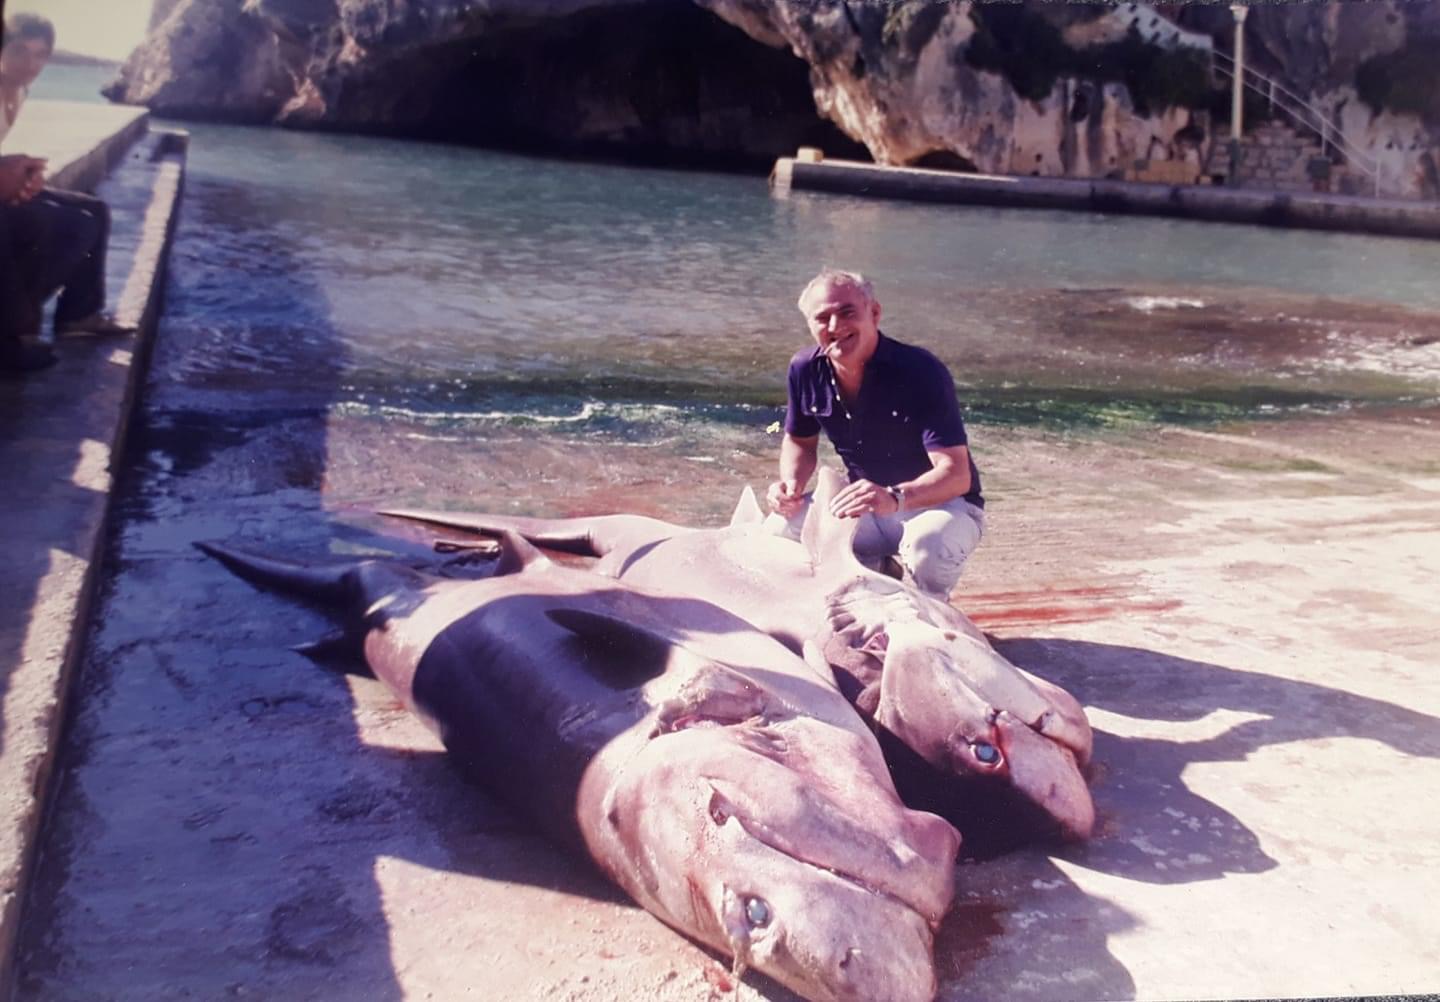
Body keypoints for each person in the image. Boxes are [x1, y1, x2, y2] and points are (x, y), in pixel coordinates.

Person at [764, 269, 986, 597]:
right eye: (822, 318)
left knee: (928, 547)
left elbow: (956, 476)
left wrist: (894, 498)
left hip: (942, 506)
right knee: (776, 535)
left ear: (875, 313)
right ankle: (877, 569)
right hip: (867, 506)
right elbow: (799, 440)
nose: (836, 327)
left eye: (847, 313)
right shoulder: (804, 369)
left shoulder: (921, 370)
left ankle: (933, 612)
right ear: (810, 325)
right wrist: (790, 486)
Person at [1, 12, 131, 374]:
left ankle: (78, 315)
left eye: (41, 55)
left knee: (93, 210)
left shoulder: (19, 89)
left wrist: (21, 173)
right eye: (20, 51)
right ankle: (11, 335)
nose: (31, 64)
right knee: (41, 222)